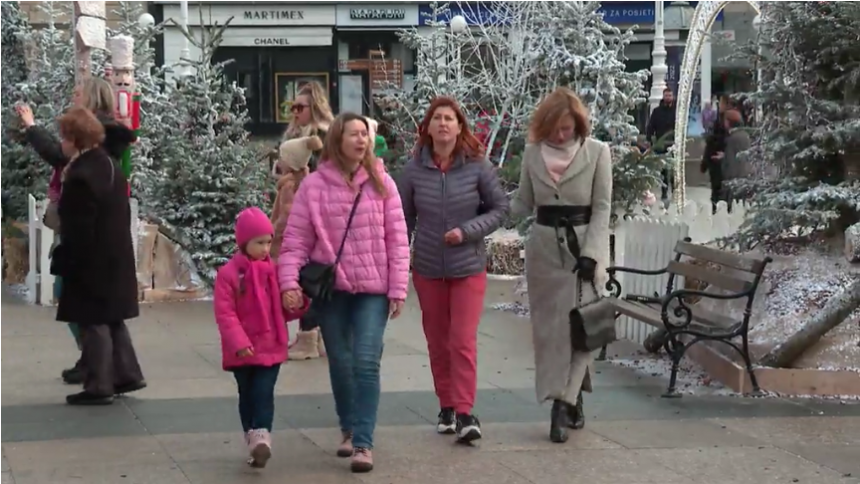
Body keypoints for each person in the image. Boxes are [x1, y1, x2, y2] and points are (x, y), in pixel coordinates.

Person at [279, 113, 410, 473]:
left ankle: (363, 443)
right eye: (353, 134)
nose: (361, 140)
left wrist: (398, 287)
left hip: (373, 290)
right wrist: (288, 283)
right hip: (331, 290)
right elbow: (295, 241)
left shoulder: (383, 182)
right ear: (337, 139)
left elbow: (397, 239)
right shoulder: (314, 186)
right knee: (340, 361)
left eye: (364, 135)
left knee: (366, 361)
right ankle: (348, 427)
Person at [398, 96, 509, 442]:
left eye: (450, 118)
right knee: (438, 342)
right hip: (429, 269)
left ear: (460, 127)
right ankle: (446, 405)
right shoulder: (414, 169)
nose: (443, 124)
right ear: (427, 128)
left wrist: (467, 232)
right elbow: (402, 219)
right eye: (437, 118)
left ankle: (464, 412)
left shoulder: (477, 166)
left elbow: (500, 208)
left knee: (461, 340)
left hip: (467, 267)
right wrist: (401, 259)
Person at [16, 77, 136, 386]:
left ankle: (99, 370)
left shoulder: (88, 165)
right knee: (103, 312)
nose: (74, 96)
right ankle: (113, 369)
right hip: (107, 243)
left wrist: (31, 128)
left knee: (89, 308)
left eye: (78, 93)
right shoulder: (102, 158)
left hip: (94, 248)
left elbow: (60, 159)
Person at [511, 87, 612, 444]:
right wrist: (481, 212)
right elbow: (523, 202)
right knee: (551, 333)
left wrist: (594, 254)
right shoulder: (532, 154)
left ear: (578, 125)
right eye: (555, 127)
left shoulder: (598, 153)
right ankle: (575, 395)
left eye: (567, 128)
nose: (561, 134)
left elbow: (602, 207)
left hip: (583, 249)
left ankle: (561, 404)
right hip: (543, 253)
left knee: (581, 329)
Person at [51, 107, 144, 406]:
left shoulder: (81, 175)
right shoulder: (109, 165)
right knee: (112, 317)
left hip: (91, 260)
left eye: (64, 137)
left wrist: (70, 260)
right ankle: (126, 373)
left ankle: (99, 383)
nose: (61, 142)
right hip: (115, 255)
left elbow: (78, 226)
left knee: (93, 321)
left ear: (75, 139)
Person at [214, 207, 309, 469]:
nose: (266, 248)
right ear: (244, 243)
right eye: (259, 243)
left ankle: (262, 438)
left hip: (271, 346)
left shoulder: (274, 272)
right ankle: (252, 436)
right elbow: (226, 313)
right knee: (247, 394)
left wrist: (298, 302)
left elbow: (284, 310)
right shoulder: (229, 275)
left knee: (263, 392)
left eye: (268, 242)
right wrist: (239, 342)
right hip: (242, 350)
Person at [277, 80, 335, 359]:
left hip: (317, 213)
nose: (295, 111)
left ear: (315, 107)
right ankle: (318, 335)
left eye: (300, 106)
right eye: (292, 106)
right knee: (307, 272)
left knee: (311, 273)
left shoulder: (323, 136)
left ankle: (309, 334)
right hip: (297, 209)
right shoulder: (296, 134)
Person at [270, 135, 326, 360]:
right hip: (306, 246)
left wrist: (272, 231)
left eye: (282, 158)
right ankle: (318, 338)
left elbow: (286, 215)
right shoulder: (308, 180)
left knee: (288, 293)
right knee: (309, 291)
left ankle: (306, 341)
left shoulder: (289, 185)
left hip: (285, 245)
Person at [713, 110, 751, 212]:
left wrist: (726, 183)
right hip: (746, 175)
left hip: (735, 179)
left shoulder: (732, 139)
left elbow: (730, 163)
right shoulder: (745, 135)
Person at [646, 88, 676, 203]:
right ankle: (664, 191)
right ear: (663, 97)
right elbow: (651, 126)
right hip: (660, 144)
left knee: (673, 170)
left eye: (670, 95)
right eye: (666, 95)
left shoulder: (676, 111)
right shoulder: (657, 111)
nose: (668, 97)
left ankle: (675, 191)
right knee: (663, 170)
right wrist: (650, 139)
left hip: (673, 144)